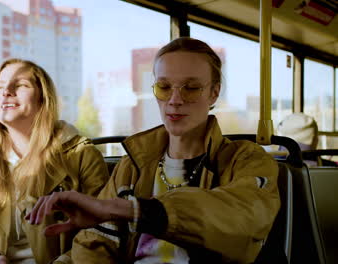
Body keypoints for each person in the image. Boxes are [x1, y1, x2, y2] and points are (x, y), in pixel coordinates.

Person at [27, 37, 280, 264]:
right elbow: (95, 244)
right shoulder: (133, 166)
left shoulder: (246, 159)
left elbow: (243, 219)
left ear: (214, 94)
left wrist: (132, 210)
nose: (175, 99)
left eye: (191, 88)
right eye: (164, 87)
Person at [0, 59, 109, 264]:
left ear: (42, 99)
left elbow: (102, 232)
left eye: (20, 85)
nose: (6, 91)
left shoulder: (82, 155)